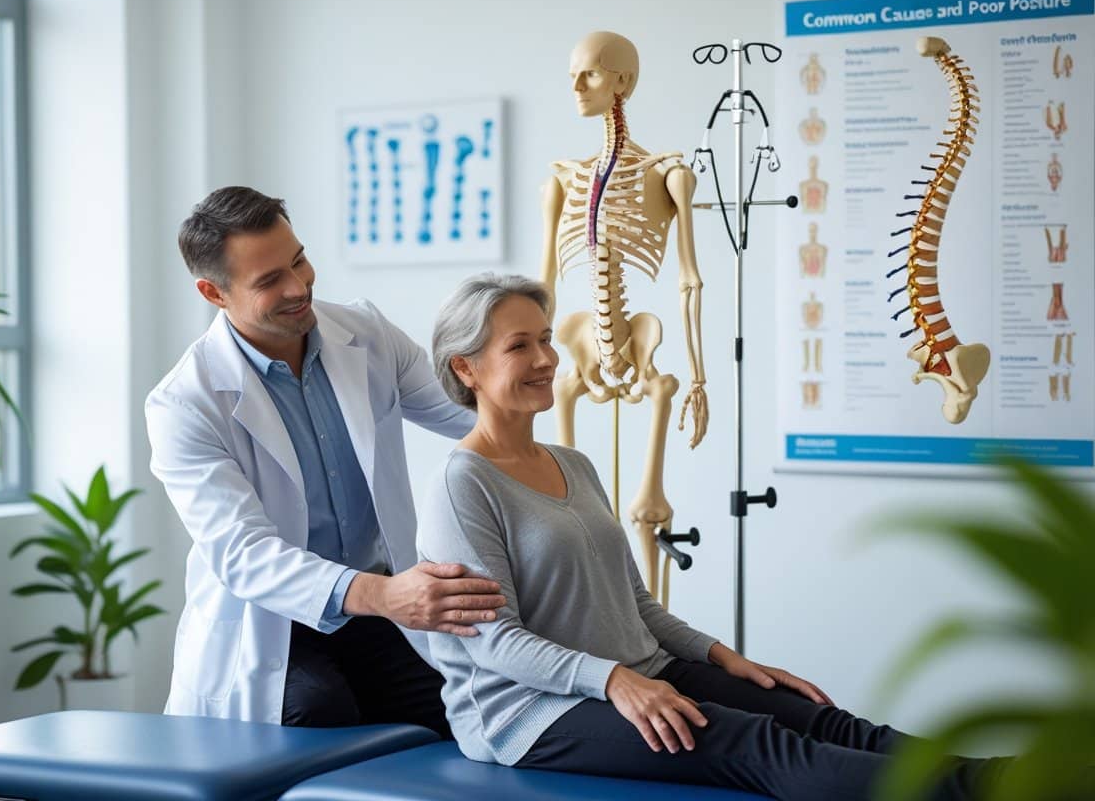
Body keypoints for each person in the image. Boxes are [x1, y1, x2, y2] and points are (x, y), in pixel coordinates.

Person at [416, 272, 998, 799]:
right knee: (758, 744)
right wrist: (614, 681)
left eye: (546, 339)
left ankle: (1005, 775)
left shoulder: (573, 463)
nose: (546, 358)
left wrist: (724, 658)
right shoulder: (461, 482)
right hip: (529, 712)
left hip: (637, 671)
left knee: (813, 716)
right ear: (466, 368)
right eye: (520, 346)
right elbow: (495, 643)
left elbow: (635, 605)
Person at [145, 186, 505, 731]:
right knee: (319, 712)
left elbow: (468, 414)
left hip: (380, 607)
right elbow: (245, 554)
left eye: (299, 261)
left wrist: (523, 363)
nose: (298, 287)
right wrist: (385, 594)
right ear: (213, 293)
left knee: (462, 711)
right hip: (275, 623)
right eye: (269, 281)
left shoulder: (366, 333)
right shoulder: (185, 403)